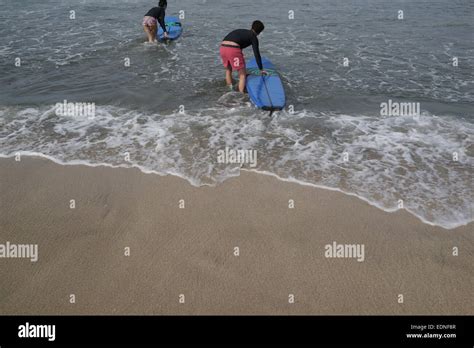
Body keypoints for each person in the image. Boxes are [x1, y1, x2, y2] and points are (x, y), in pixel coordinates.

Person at [220, 20, 267, 93]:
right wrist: (261, 69)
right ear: (259, 32)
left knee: (228, 70)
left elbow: (237, 43)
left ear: (252, 26)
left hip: (223, 47)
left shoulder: (243, 32)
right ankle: (241, 95)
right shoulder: (253, 37)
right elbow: (256, 53)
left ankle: (229, 89)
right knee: (242, 75)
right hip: (233, 49)